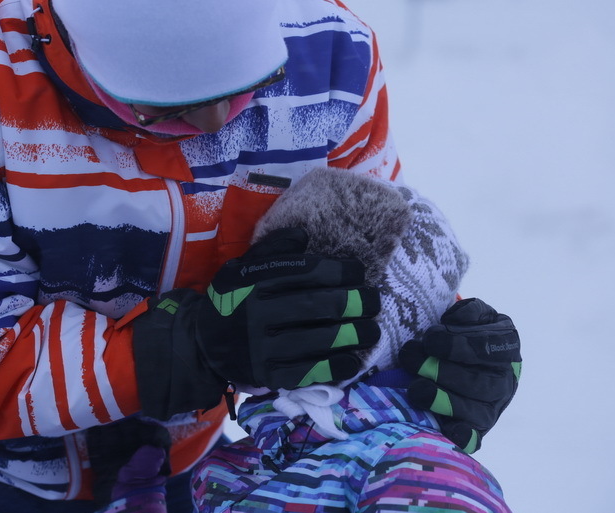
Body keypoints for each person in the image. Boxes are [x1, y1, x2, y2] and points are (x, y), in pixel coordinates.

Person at [0, 0, 521, 512]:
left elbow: (370, 273)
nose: (217, 125)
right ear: (77, 54)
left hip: (174, 468)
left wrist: (437, 347)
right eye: (168, 110)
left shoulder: (329, 65)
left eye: (249, 85)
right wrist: (191, 348)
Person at [86, 168, 516, 513]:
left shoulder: (413, 472)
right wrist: (136, 498)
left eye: (294, 304)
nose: (254, 312)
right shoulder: (252, 458)